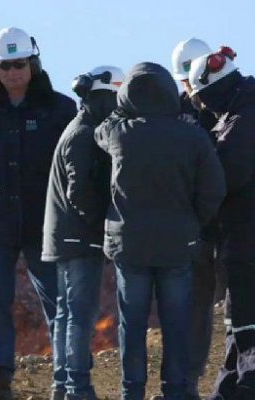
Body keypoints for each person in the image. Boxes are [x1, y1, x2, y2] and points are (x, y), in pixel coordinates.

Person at [0, 26, 76, 400]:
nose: (12, 72)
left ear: (33, 63)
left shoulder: (61, 109)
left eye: (19, 64)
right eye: (4, 66)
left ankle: (69, 381)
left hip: (48, 224)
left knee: (60, 302)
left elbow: (80, 165)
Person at [94, 62, 226, 400]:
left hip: (130, 247)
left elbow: (100, 131)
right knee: (177, 325)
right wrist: (194, 223)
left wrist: (118, 109)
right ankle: (176, 391)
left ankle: (132, 391)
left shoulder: (120, 131)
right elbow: (214, 188)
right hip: (177, 245)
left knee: (132, 326)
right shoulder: (191, 135)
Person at [42, 65, 124, 400]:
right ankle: (78, 388)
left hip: (67, 236)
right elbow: (80, 193)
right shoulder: (84, 134)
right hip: (78, 239)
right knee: (78, 315)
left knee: (66, 313)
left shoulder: (80, 127)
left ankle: (64, 387)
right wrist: (103, 226)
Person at [189, 47, 255, 400]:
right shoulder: (239, 114)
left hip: (246, 241)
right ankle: (228, 389)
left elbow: (227, 176)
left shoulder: (243, 122)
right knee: (238, 326)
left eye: (203, 99)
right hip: (239, 240)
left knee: (247, 327)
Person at [164, 37, 222, 400]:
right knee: (196, 307)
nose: (194, 87)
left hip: (234, 223)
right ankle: (187, 384)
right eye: (186, 82)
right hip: (194, 227)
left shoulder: (233, 101)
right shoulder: (176, 110)